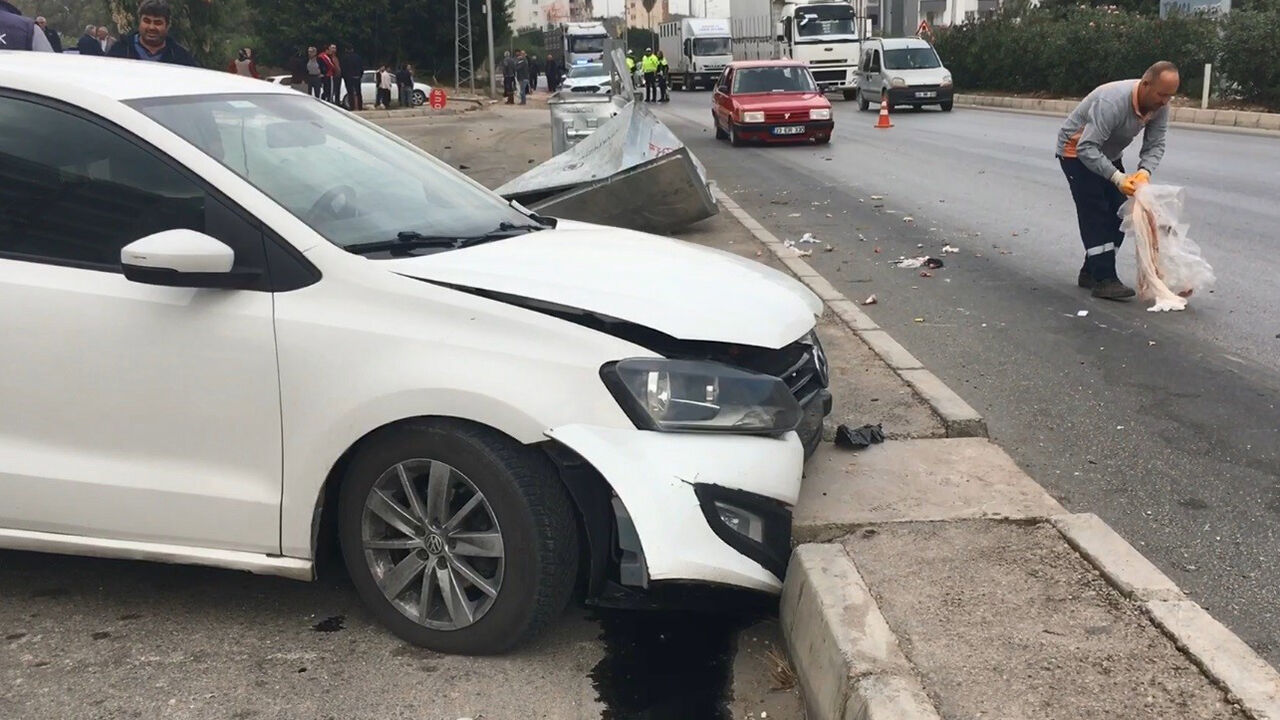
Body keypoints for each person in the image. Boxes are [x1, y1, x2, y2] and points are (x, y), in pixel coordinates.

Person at [1056, 61, 1178, 300]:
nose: (1165, 101)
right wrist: (1117, 177)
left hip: (1109, 154)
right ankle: (1105, 279)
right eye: (1162, 95)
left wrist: (1144, 171)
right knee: (1096, 212)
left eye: (1170, 96)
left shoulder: (1160, 106)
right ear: (1145, 85)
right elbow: (1087, 147)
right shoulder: (1112, 102)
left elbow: (1156, 143)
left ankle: (1091, 271)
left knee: (1122, 212)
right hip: (1076, 152)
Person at [107, 1, 195, 65]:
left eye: (158, 23)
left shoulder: (180, 57)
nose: (151, 27)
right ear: (139, 22)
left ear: (167, 25)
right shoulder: (120, 50)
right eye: (147, 21)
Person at [340, 44, 365, 111]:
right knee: (358, 92)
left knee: (350, 92)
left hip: (348, 77)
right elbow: (361, 67)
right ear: (352, 49)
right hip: (357, 77)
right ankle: (359, 106)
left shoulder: (344, 58)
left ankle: (352, 106)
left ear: (346, 49)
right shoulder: (358, 57)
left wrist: (344, 76)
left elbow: (343, 68)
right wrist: (360, 75)